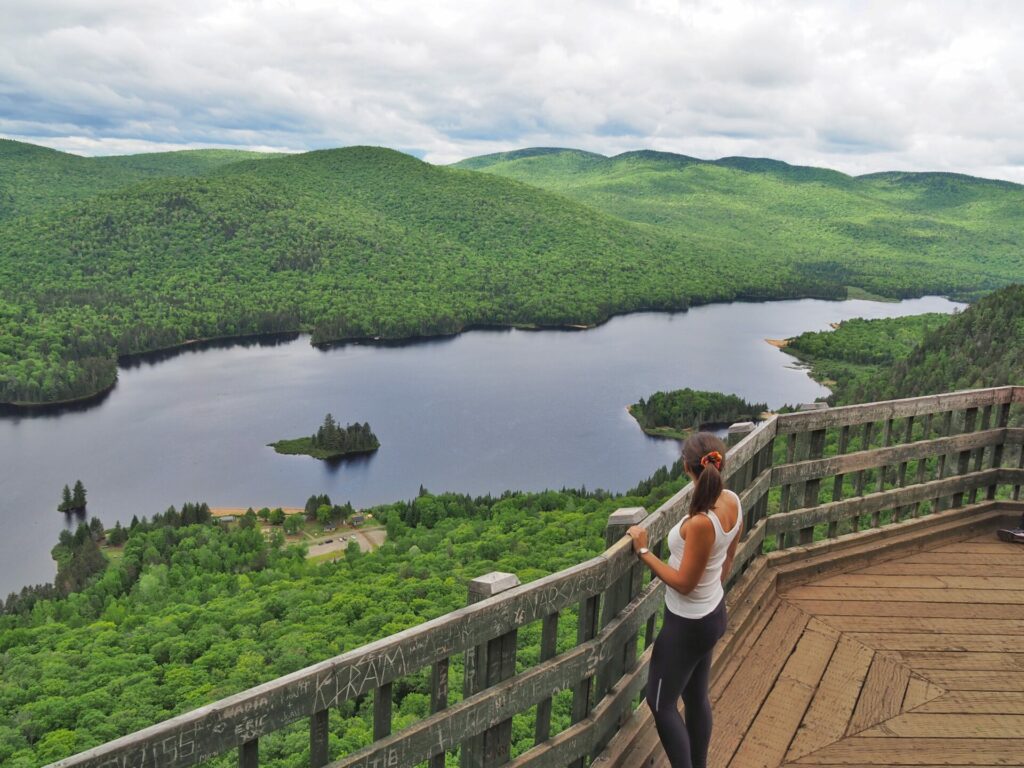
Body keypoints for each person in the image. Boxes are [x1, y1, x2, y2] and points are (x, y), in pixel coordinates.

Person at [626, 432, 742, 768]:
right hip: (712, 613)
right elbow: (728, 558)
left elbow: (684, 584)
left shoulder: (701, 522)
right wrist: (711, 593)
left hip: (687, 625)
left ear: (685, 466)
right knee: (694, 696)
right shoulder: (732, 500)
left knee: (660, 703)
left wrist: (643, 550)